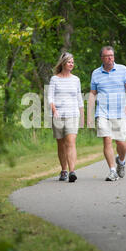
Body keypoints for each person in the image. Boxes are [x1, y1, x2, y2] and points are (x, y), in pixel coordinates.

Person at [88, 46, 126, 181]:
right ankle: (112, 170)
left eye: (112, 56)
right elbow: (92, 93)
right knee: (107, 140)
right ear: (102, 58)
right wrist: (89, 114)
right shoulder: (96, 73)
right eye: (107, 56)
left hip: (120, 112)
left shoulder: (123, 69)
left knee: (121, 143)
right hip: (102, 112)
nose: (110, 58)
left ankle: (121, 161)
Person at [48, 52, 84, 183]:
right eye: (69, 62)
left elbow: (79, 98)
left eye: (73, 62)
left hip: (73, 114)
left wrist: (83, 116)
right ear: (63, 63)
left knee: (70, 142)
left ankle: (72, 171)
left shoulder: (76, 80)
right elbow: (50, 97)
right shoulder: (54, 79)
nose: (71, 64)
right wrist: (54, 110)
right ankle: (64, 170)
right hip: (58, 115)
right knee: (61, 144)